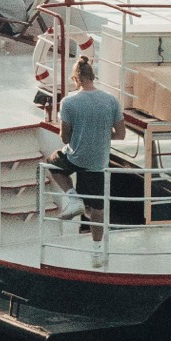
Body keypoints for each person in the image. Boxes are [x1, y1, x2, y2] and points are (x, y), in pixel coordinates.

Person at [53, 57, 122, 240]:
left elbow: (64, 136)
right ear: (93, 76)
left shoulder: (68, 102)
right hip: (98, 162)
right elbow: (121, 134)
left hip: (77, 158)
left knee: (53, 162)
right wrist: (101, 136)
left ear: (76, 79)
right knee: (97, 207)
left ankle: (73, 199)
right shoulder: (111, 100)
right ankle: (97, 248)